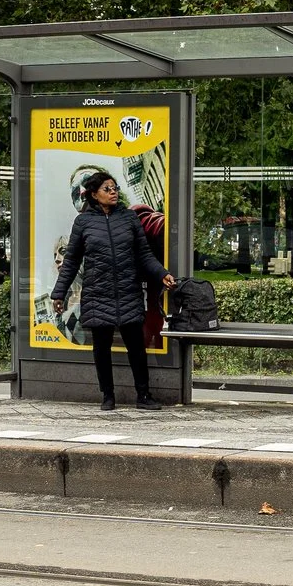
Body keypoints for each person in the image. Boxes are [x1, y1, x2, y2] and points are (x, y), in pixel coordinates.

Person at [54, 170, 176, 410]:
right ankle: (107, 396)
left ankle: (143, 396)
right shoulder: (83, 222)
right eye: (107, 189)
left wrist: (163, 274)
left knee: (136, 347)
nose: (113, 192)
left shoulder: (129, 218)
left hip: (128, 291)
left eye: (115, 188)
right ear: (93, 194)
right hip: (98, 293)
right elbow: (71, 262)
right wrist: (60, 293)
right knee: (101, 348)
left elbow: (144, 255)